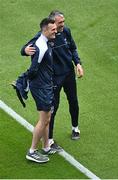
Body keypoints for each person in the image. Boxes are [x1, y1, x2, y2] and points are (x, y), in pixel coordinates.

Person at [21, 10, 84, 150]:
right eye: (60, 22)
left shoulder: (66, 31)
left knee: (73, 100)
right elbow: (25, 49)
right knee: (52, 108)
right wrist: (25, 51)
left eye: (63, 22)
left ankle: (75, 128)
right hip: (54, 78)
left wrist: (78, 63)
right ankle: (49, 139)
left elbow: (73, 48)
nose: (62, 25)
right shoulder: (43, 36)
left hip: (68, 73)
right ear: (52, 24)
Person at [16, 18, 57, 163]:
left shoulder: (41, 39)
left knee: (48, 118)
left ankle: (46, 147)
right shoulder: (41, 46)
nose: (55, 31)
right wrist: (26, 80)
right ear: (45, 30)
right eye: (53, 29)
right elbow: (33, 69)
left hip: (45, 85)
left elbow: (27, 47)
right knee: (44, 119)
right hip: (41, 87)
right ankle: (32, 151)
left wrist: (24, 50)